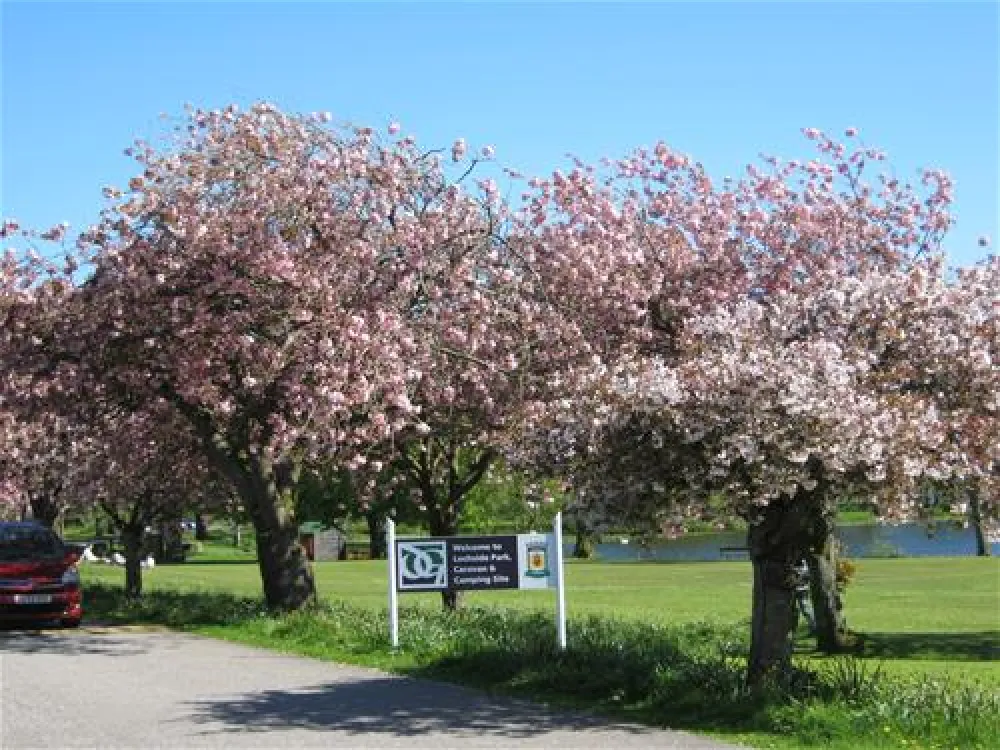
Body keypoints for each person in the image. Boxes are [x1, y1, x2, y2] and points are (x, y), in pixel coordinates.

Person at [793, 558, 816, 633]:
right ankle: (792, 631)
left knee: (806, 609)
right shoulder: (791, 560)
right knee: (793, 611)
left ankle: (814, 628)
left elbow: (807, 576)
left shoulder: (804, 564)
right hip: (792, 589)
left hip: (802, 589)